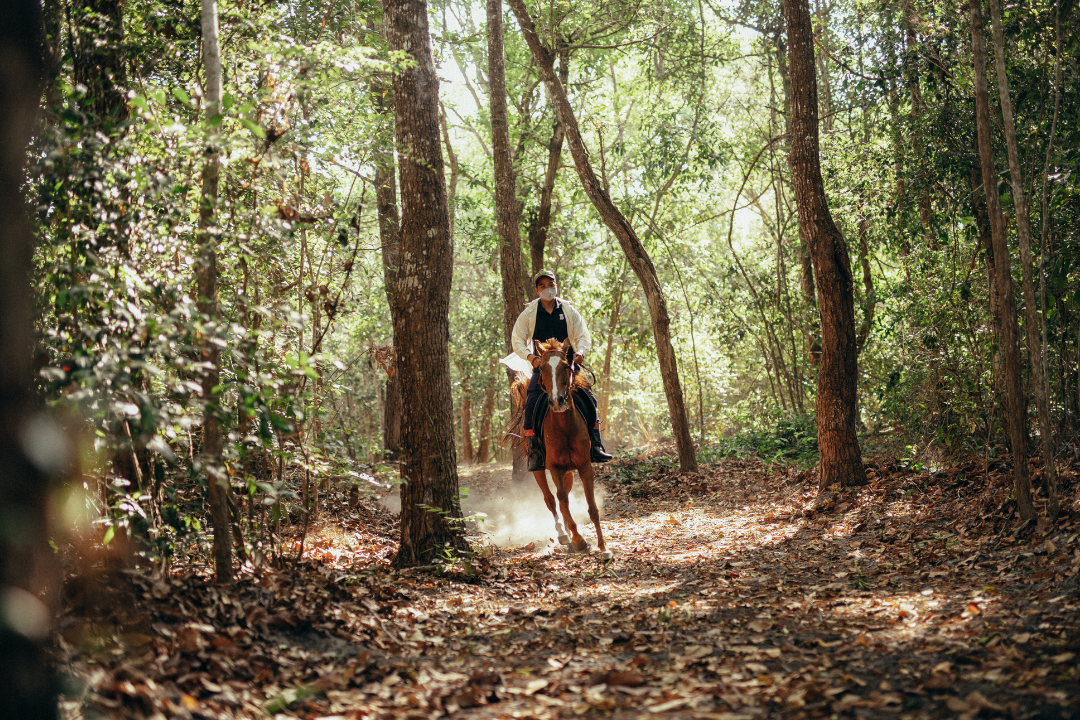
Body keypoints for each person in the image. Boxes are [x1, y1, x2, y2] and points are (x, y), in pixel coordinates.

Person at [512, 270, 613, 470]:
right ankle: (534, 451)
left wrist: (581, 352)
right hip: (543, 368)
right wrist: (531, 357)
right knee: (531, 399)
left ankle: (596, 446)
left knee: (589, 397)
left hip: (568, 368)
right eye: (542, 286)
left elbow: (583, 335)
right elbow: (517, 340)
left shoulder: (568, 310)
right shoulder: (530, 313)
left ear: (556, 286)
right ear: (537, 289)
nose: (547, 288)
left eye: (550, 284)